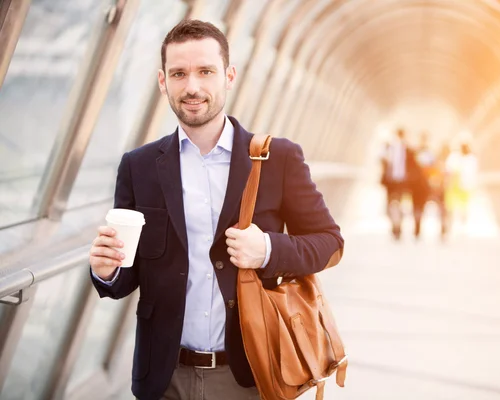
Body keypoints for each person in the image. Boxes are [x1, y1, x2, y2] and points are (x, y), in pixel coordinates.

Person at [88, 20, 343, 400]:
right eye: (179, 74)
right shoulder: (138, 166)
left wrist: (269, 250)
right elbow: (126, 278)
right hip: (163, 377)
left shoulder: (278, 158)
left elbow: (330, 243)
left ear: (229, 76)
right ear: (163, 82)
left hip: (249, 375)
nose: (192, 87)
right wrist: (106, 271)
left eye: (205, 71)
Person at [380, 129, 428, 239]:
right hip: (397, 182)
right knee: (395, 204)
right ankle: (397, 225)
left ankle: (397, 226)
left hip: (399, 182)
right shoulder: (398, 148)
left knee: (395, 204)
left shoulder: (396, 148)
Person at [446, 142, 478, 228]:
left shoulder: (471, 159)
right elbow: (449, 170)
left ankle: (462, 224)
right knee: (453, 206)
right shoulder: (455, 157)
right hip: (455, 185)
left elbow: (472, 173)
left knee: (463, 207)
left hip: (464, 186)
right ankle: (453, 224)